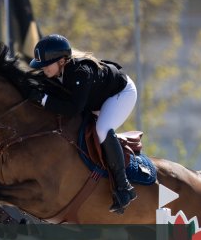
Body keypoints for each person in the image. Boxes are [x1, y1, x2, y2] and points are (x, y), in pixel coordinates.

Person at [28, 34, 137, 214]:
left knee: (102, 129)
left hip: (120, 94)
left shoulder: (80, 72)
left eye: (47, 64)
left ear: (62, 61)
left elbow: (73, 109)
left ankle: (123, 186)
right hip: (95, 98)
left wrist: (44, 99)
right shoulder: (55, 72)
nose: (43, 68)